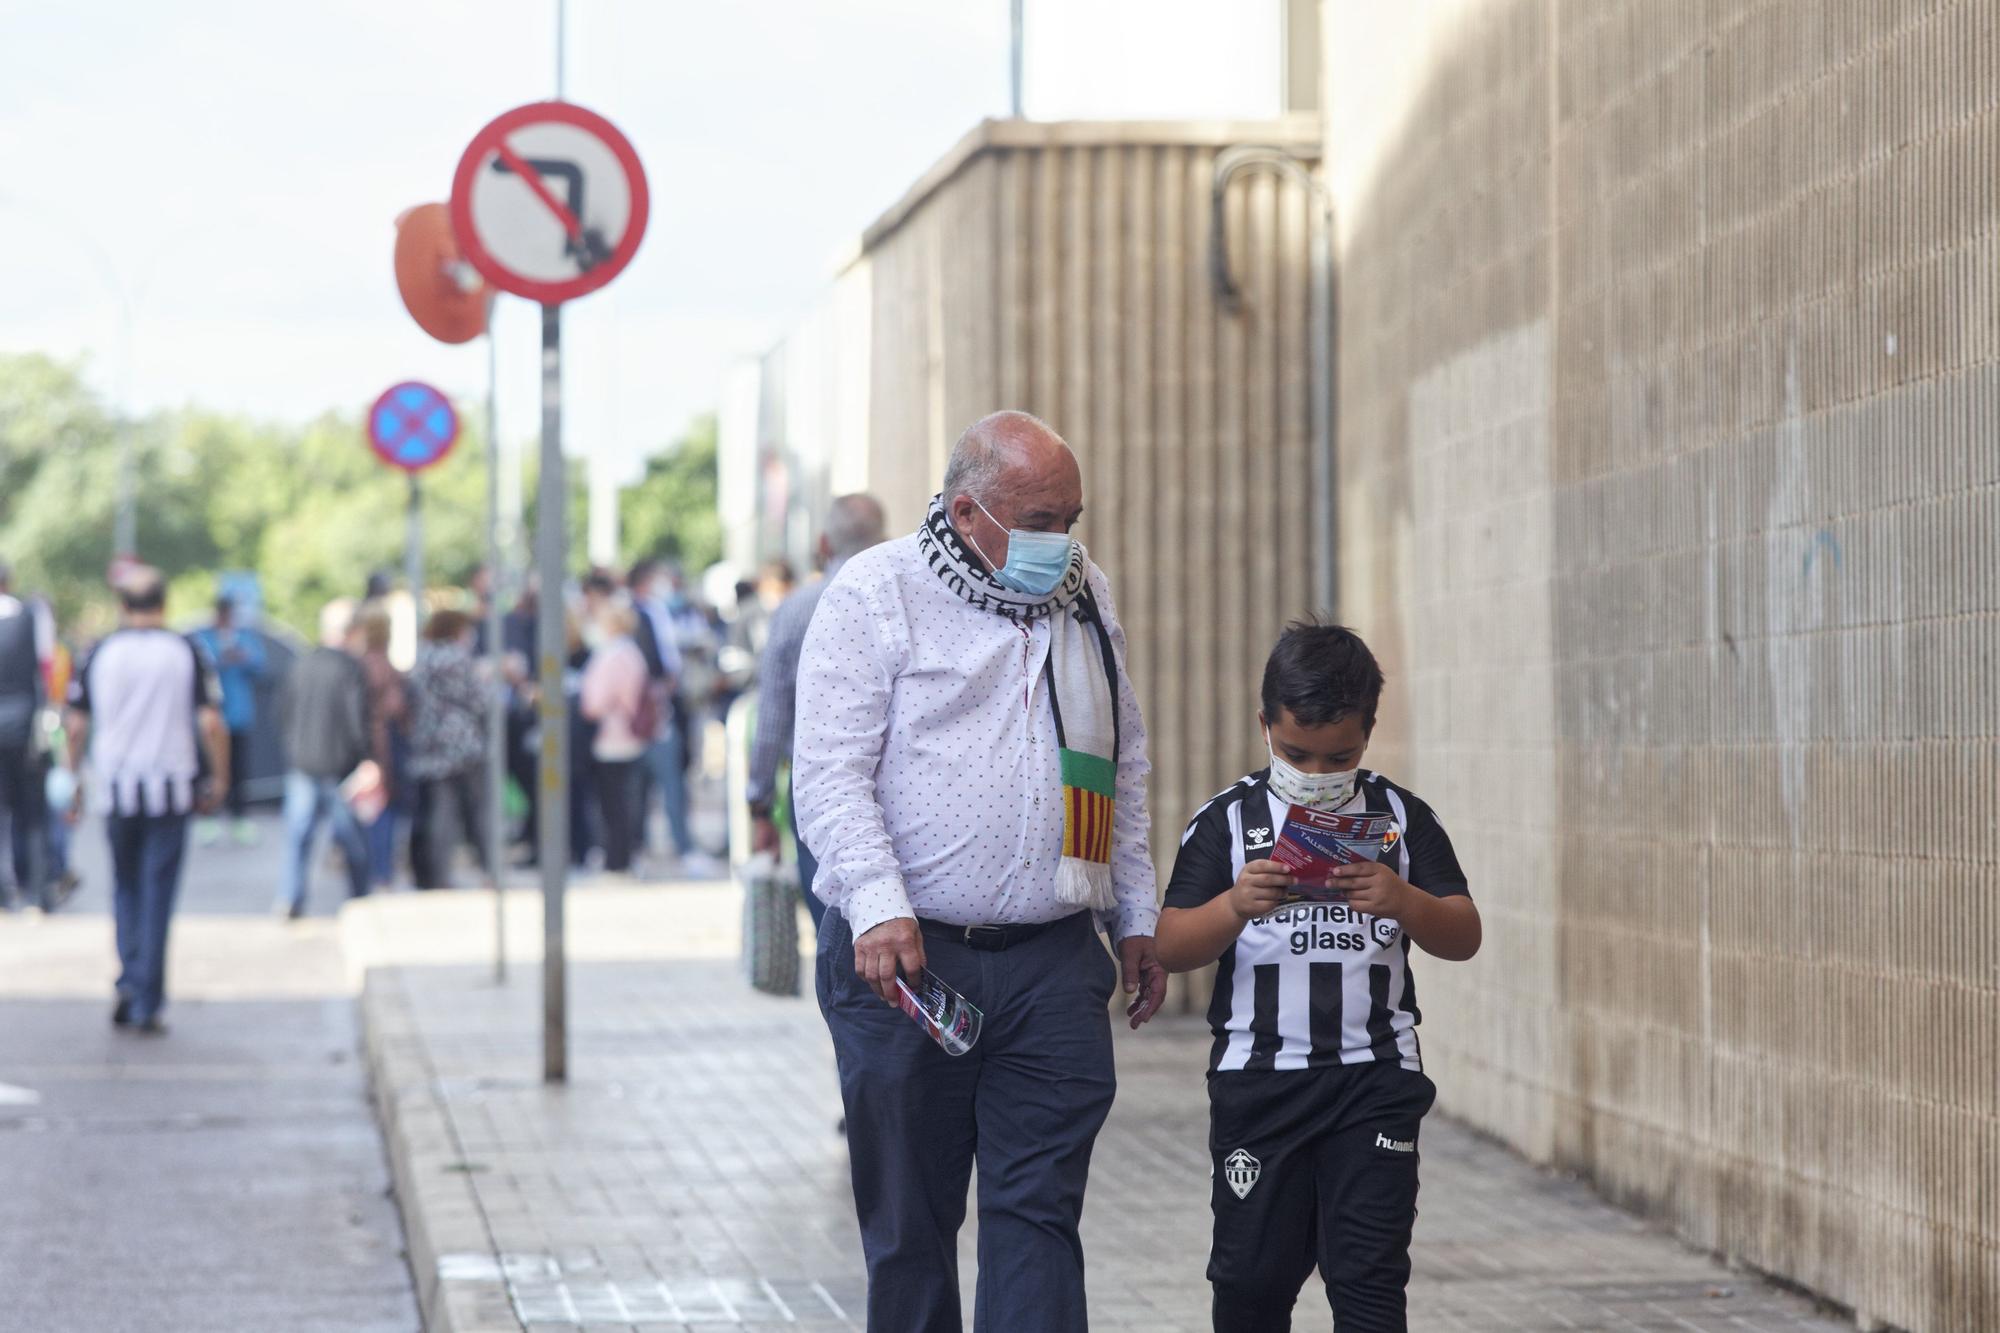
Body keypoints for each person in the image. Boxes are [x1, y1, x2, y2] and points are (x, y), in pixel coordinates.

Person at [794, 411, 1168, 1332]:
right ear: (968, 512)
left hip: (1051, 964)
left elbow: (1123, 761)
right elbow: (831, 773)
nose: (1063, 542)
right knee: (912, 1229)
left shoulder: (1084, 594)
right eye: (1043, 519)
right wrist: (880, 909)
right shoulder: (875, 593)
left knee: (1040, 1212)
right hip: (909, 969)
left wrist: (1137, 914)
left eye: (1072, 518)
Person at [1154, 621, 1484, 1332]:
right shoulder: (1226, 821)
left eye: (1340, 756)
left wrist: (1405, 900)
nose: (1317, 771)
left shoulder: (1400, 819)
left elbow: (1464, 933)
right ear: (1264, 723)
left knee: (1368, 1278)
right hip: (1259, 1084)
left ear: (1368, 731)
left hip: (1374, 1080)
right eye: (1296, 752)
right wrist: (1235, 904)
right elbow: (1171, 945)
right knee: (1251, 1281)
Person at [65, 566, 227, 1034]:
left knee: (125, 886)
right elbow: (211, 723)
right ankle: (147, 996)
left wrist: (72, 778)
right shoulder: (185, 650)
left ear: (122, 605)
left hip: (116, 787)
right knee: (158, 892)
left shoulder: (100, 651)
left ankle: (129, 978)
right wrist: (220, 777)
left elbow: (76, 725)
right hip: (171, 787)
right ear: (164, 603)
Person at [745, 494, 886, 931]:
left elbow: (771, 717)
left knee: (831, 919)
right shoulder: (899, 601)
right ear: (882, 538)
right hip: (892, 782)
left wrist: (759, 803)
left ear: (824, 542)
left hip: (815, 785)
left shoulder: (795, 610)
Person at [273, 600, 375, 918]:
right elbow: (357, 718)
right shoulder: (350, 668)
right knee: (352, 841)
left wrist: (294, 749)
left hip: (303, 764)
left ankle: (291, 897)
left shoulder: (301, 664)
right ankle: (361, 899)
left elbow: (281, 713)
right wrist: (366, 758)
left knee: (298, 838)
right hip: (339, 767)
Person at [630, 559, 719, 876]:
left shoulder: (662, 611)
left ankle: (675, 844)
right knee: (660, 780)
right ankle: (670, 845)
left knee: (672, 776)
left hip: (670, 704)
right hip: (652, 712)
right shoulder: (635, 613)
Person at [407, 609, 489, 889]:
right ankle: (486, 869)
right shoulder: (458, 658)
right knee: (471, 811)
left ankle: (434, 874)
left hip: (428, 743)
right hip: (460, 744)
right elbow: (479, 700)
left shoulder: (423, 657)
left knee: (438, 812)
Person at [578, 600, 650, 875]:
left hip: (612, 736)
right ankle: (620, 856)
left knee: (613, 803)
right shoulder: (631, 652)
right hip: (624, 736)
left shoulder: (614, 655)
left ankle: (616, 858)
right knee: (621, 801)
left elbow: (595, 702)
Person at [191, 595, 267, 846]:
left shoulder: (245, 637)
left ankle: (238, 819)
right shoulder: (204, 637)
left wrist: (242, 657)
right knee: (208, 769)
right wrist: (222, 658)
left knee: (238, 770)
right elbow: (200, 665)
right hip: (212, 717)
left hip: (238, 716)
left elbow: (260, 664)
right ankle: (208, 817)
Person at [0, 560, 53, 911]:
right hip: (24, 728)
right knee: (32, 813)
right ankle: (36, 892)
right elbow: (45, 671)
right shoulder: (29, 617)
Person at [354, 605, 408, 888]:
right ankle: (380, 871)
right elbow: (395, 708)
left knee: (371, 812)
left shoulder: (361, 665)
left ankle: (377, 870)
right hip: (380, 747)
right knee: (380, 812)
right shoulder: (380, 668)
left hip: (370, 746)